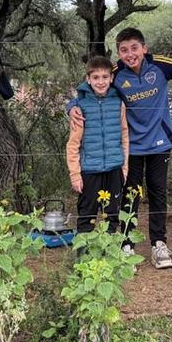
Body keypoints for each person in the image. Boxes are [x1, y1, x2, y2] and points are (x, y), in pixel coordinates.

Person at [69, 28, 172, 269]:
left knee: (157, 193)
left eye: (134, 48)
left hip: (159, 143)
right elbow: (88, 87)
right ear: (119, 54)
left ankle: (159, 244)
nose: (130, 54)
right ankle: (126, 243)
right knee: (129, 195)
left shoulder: (161, 66)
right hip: (132, 147)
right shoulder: (115, 73)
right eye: (123, 50)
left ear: (144, 48)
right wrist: (71, 106)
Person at [66, 56, 130, 236]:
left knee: (112, 217)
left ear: (111, 78)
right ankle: (84, 260)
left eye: (104, 77)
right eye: (95, 77)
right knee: (87, 216)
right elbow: (73, 144)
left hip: (114, 168)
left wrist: (124, 167)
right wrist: (75, 174)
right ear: (88, 79)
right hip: (90, 170)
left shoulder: (119, 102)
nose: (100, 82)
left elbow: (125, 136)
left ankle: (110, 259)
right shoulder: (80, 106)